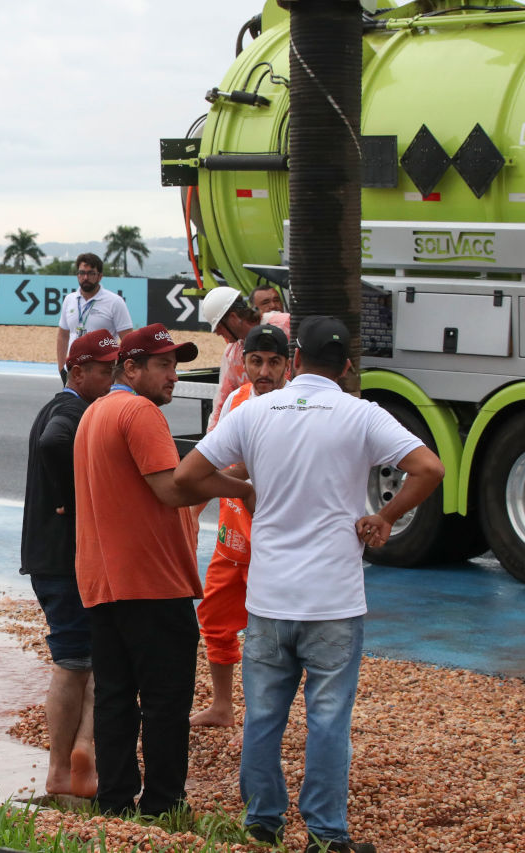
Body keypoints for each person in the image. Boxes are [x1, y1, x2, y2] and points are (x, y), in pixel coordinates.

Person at [176, 316, 443, 852]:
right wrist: (386, 517)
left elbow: (186, 477)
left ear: (294, 360)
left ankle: (262, 823)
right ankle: (325, 835)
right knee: (327, 722)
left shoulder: (253, 411)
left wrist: (244, 488)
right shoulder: (360, 414)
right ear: (346, 367)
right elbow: (429, 468)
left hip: (270, 597)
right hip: (333, 599)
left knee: (264, 717)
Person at [73, 323, 251, 817]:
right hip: (152, 584)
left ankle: (115, 802)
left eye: (176, 364)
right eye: (164, 365)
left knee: (114, 699)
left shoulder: (95, 412)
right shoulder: (139, 410)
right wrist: (242, 487)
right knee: (166, 701)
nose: (174, 375)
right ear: (131, 368)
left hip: (103, 582)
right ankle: (164, 805)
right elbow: (171, 489)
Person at [20, 329, 120, 799]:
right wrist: (70, 497)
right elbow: (54, 445)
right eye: (104, 370)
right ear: (77, 372)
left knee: (78, 658)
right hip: (64, 560)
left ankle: (74, 761)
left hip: (48, 559)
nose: (112, 378)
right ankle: (73, 761)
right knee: (85, 660)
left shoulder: (55, 407)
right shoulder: (70, 410)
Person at [190, 323, 289, 728]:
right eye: (256, 361)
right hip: (232, 540)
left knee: (273, 637)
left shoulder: (296, 405)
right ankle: (223, 706)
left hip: (276, 546)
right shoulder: (237, 398)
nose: (264, 371)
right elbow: (210, 463)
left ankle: (264, 719)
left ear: (288, 365)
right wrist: (190, 512)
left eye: (273, 362)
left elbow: (233, 466)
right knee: (213, 620)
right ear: (243, 362)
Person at [200, 285, 290, 431]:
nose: (217, 333)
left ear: (233, 318)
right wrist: (210, 440)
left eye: (219, 327)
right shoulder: (232, 354)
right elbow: (222, 402)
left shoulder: (285, 325)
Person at [56, 254, 134, 385]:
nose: (85, 277)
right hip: (72, 372)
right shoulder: (69, 299)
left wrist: (119, 372)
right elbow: (63, 335)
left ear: (100, 276)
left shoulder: (115, 302)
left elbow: (128, 341)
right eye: (82, 273)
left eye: (91, 273)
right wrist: (61, 367)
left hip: (100, 374)